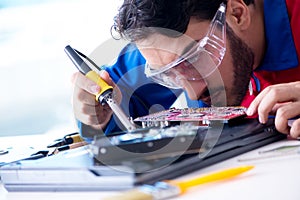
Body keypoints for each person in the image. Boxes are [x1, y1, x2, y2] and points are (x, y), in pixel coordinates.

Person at [72, 0, 300, 140]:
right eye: (167, 73)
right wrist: (97, 116)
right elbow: (113, 106)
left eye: (193, 60)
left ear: (237, 13)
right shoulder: (164, 46)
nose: (192, 94)